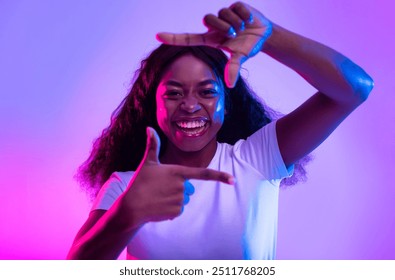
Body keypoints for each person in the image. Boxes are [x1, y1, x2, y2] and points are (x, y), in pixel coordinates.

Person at [67, 2, 373, 260]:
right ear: (153, 106)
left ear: (227, 105)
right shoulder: (125, 185)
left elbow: (355, 89)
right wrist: (126, 214)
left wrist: (272, 38)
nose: (189, 105)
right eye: (173, 93)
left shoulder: (257, 159)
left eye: (206, 92)